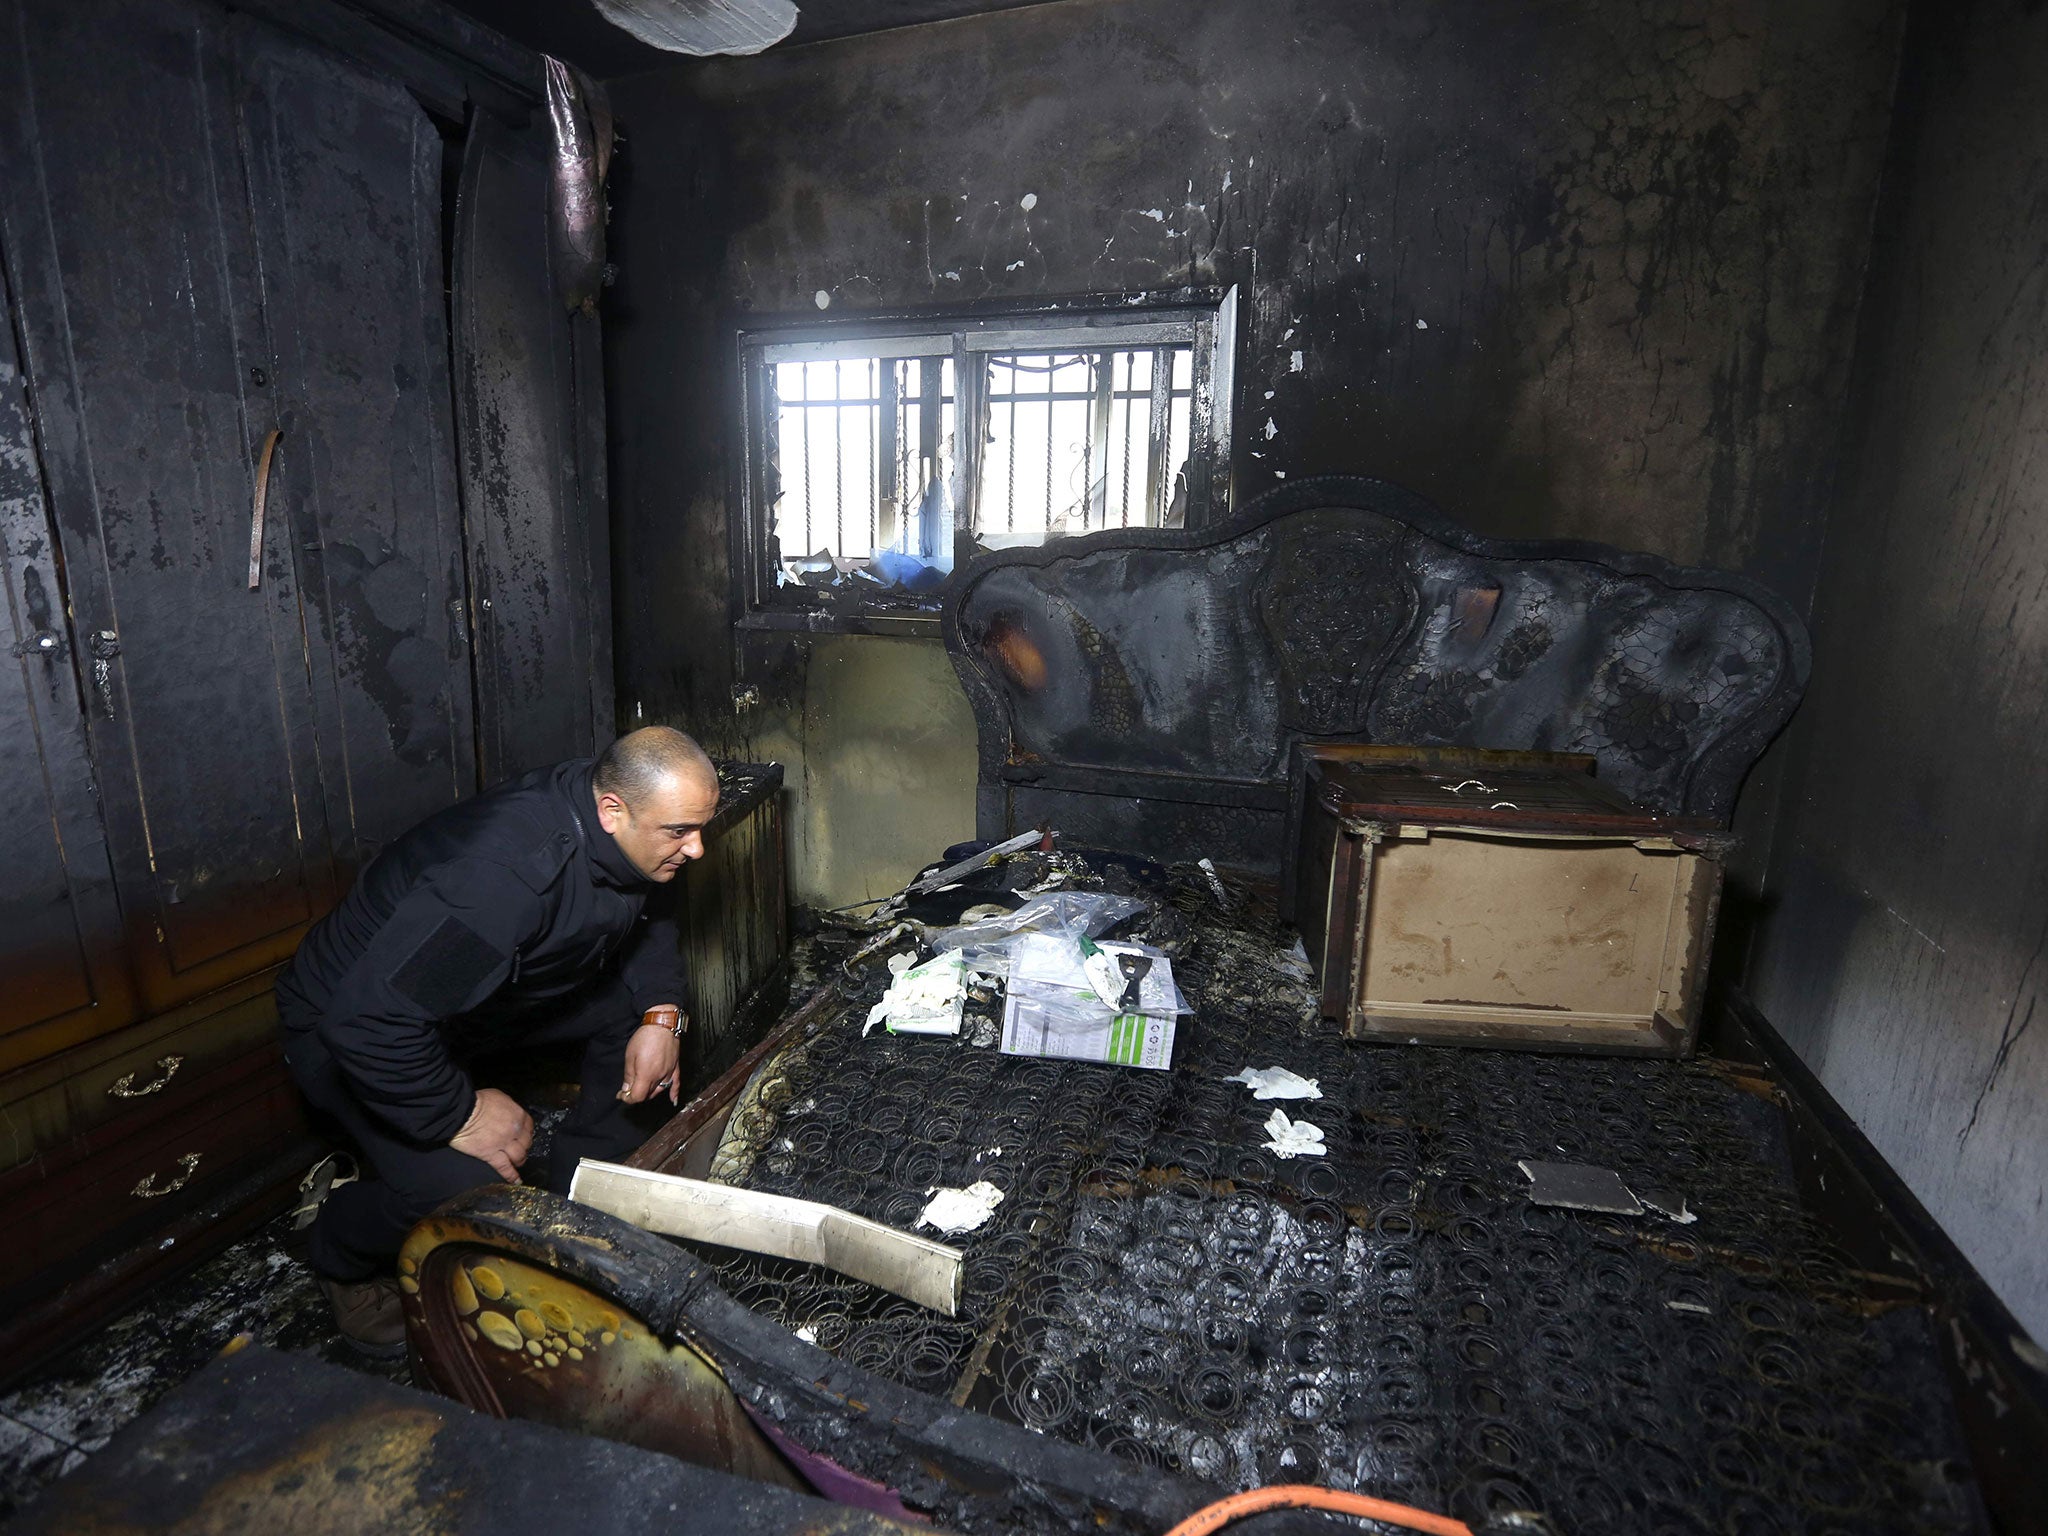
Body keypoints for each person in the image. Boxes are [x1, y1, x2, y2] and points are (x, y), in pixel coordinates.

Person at [276, 726, 721, 1353]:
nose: (696, 850)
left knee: (629, 1012)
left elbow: (649, 911)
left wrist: (660, 1013)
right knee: (459, 1190)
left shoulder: (623, 819)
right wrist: (460, 1114)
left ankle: (582, 1201)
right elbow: (371, 1024)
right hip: (356, 1030)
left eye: (700, 827)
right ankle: (336, 1249)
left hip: (469, 1007)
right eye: (679, 832)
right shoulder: (503, 880)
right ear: (612, 810)